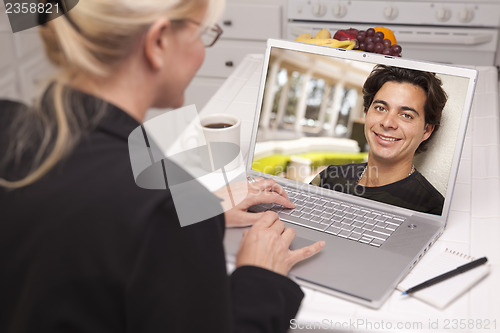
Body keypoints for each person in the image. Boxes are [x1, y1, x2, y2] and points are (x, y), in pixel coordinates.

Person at [0, 1, 324, 332]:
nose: (202, 51)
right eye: (202, 34)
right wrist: (260, 276)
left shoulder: (8, 123)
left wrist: (199, 207)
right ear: (158, 42)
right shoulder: (159, 214)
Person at [312, 65, 447, 215]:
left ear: (426, 131)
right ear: (366, 113)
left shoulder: (431, 209)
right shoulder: (329, 178)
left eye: (406, 115)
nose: (387, 123)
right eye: (381, 108)